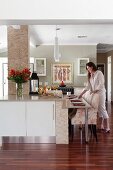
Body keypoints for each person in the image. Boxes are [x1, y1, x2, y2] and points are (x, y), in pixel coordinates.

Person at [78, 62, 110, 133]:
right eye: (87, 69)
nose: (88, 70)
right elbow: (88, 86)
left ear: (92, 67)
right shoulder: (90, 75)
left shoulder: (99, 73)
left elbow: (101, 84)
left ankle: (107, 127)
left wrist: (94, 90)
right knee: (99, 110)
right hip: (95, 94)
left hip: (100, 93)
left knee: (102, 109)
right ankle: (101, 126)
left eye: (88, 68)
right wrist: (81, 94)